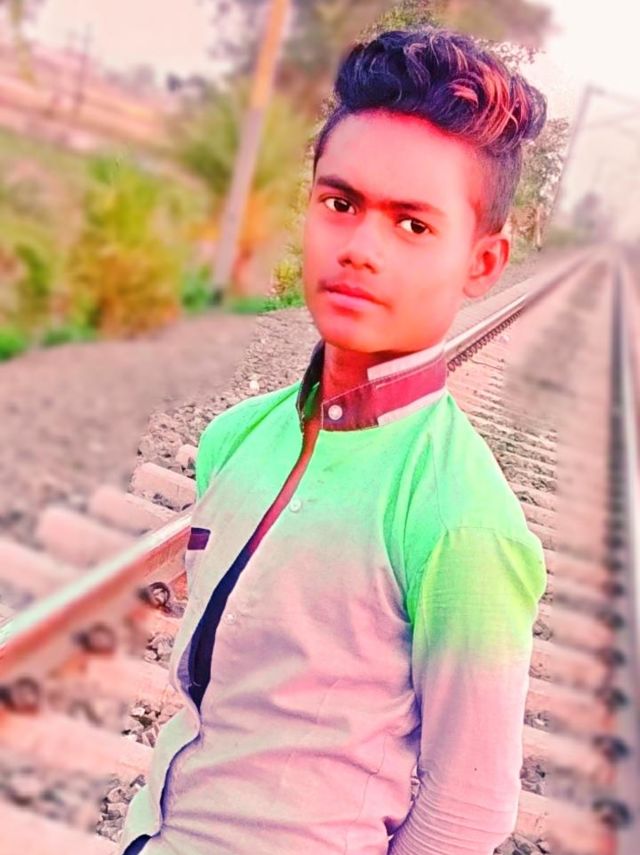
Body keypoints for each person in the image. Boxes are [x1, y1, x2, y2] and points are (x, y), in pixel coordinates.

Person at [118, 24, 548, 855]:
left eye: (412, 225)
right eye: (340, 203)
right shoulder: (238, 437)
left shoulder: (462, 519)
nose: (359, 250)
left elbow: (467, 810)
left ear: (483, 262)